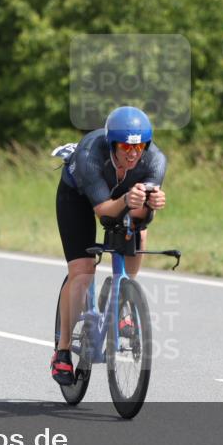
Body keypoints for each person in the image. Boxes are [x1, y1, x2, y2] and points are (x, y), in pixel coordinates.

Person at [51, 106, 167, 385]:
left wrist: (149, 204)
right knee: (83, 271)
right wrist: (129, 200)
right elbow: (104, 212)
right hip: (78, 198)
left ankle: (124, 298)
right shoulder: (90, 154)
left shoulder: (155, 161)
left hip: (120, 197)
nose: (133, 153)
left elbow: (140, 216)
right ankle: (63, 351)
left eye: (139, 146)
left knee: (140, 232)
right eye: (126, 146)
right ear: (113, 144)